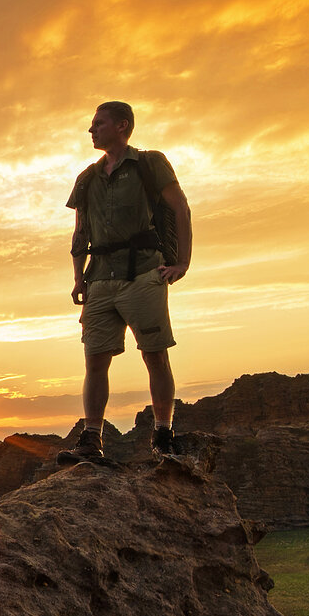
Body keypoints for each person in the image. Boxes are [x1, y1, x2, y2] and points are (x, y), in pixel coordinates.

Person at [57, 101, 192, 464]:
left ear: (122, 125)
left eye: (98, 124)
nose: (91, 130)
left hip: (143, 273)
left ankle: (163, 434)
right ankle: (91, 439)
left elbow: (180, 207)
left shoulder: (150, 164)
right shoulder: (87, 177)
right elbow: (80, 231)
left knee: (154, 355)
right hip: (99, 278)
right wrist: (77, 278)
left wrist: (182, 262)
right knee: (95, 361)